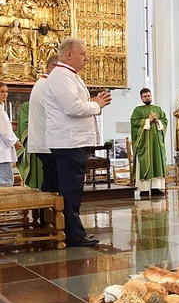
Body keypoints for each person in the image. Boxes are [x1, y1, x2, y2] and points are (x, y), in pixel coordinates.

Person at [44, 37, 112, 247]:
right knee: (70, 190)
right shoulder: (61, 77)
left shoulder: (69, 76)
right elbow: (73, 108)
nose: (87, 58)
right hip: (69, 142)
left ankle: (71, 230)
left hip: (72, 141)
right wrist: (97, 104)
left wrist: (92, 102)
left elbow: (76, 104)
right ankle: (73, 234)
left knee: (72, 188)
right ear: (68, 55)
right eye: (83, 54)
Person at [19, 54, 59, 190]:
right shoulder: (45, 85)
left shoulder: (46, 83)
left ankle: (47, 210)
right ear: (51, 67)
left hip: (48, 140)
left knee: (51, 177)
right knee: (53, 180)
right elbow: (54, 112)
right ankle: (50, 210)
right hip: (47, 141)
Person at [131, 88, 168, 197]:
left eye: (149, 95)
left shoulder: (158, 109)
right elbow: (134, 123)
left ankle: (156, 188)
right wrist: (147, 121)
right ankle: (144, 189)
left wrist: (158, 121)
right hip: (144, 144)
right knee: (144, 163)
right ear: (141, 97)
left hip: (157, 143)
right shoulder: (137, 110)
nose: (147, 97)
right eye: (145, 96)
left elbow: (165, 121)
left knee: (157, 162)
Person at [0, 82, 22, 187]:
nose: (5, 94)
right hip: (2, 151)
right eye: (2, 91)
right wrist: (15, 142)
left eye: (6, 91)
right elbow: (5, 131)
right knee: (6, 182)